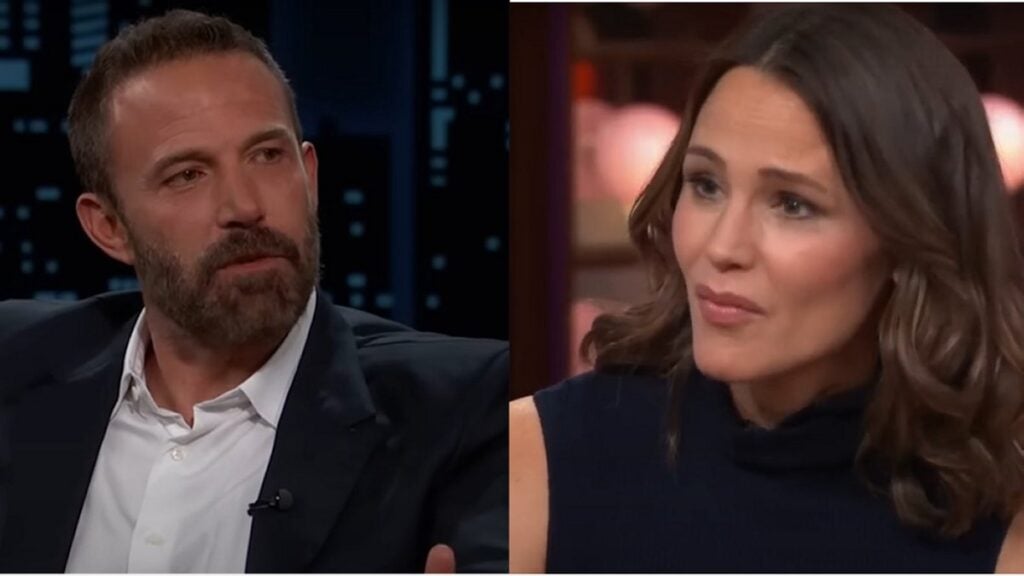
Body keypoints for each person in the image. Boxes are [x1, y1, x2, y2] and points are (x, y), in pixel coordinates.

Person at [511, 4, 1024, 572]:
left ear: (909, 239)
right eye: (706, 184)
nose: (722, 246)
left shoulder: (1001, 529)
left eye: (793, 204)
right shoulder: (537, 457)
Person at [0, 9, 507, 573]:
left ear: (309, 177)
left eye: (267, 155)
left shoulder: (463, 409)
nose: (244, 207)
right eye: (187, 175)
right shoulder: (16, 364)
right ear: (110, 227)